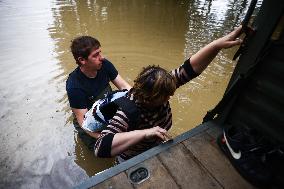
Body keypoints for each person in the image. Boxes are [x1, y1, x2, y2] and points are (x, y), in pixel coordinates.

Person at [88, 26, 243, 162]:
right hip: (132, 159)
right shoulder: (127, 112)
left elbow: (190, 68)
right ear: (152, 98)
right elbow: (99, 148)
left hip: (155, 144)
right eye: (166, 96)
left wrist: (217, 45)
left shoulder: (161, 85)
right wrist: (145, 133)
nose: (170, 97)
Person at [66, 36, 131, 149]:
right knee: (105, 152)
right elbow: (84, 124)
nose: (101, 57)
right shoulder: (74, 86)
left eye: (100, 52)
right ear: (82, 60)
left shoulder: (104, 64)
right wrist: (109, 138)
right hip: (91, 125)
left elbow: (124, 87)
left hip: (107, 109)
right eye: (95, 55)